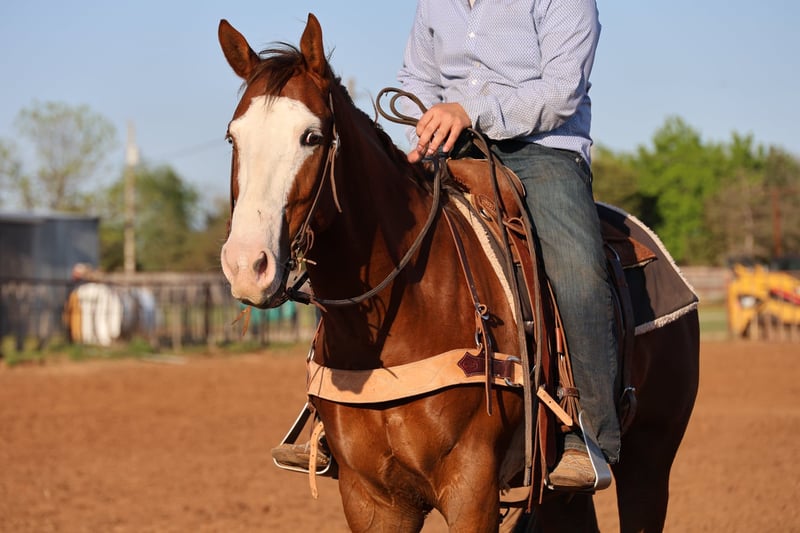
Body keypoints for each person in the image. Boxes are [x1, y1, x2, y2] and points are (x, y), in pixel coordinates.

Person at [273, 0, 620, 491]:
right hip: (451, 149)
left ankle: (589, 433)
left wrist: (469, 111)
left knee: (578, 274)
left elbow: (561, 90)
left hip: (541, 152)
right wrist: (425, 127)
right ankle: (333, 410)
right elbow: (417, 77)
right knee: (365, 241)